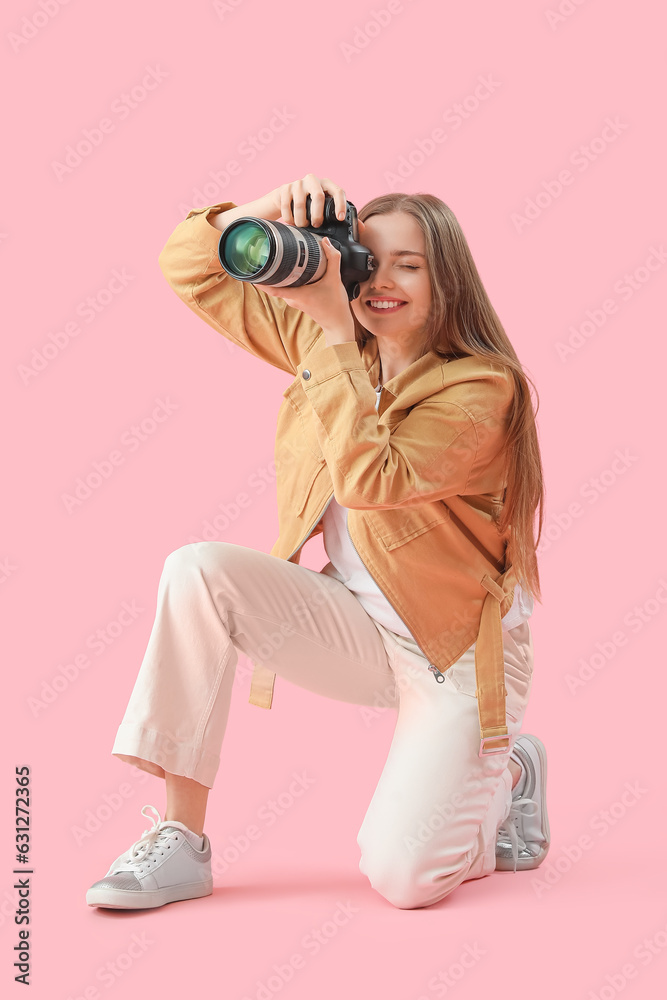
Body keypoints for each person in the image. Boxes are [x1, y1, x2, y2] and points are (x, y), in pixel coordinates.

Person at [86, 172, 549, 911]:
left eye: (409, 263)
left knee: (405, 879)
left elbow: (373, 479)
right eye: (366, 256)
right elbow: (186, 262)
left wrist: (332, 331)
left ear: (448, 279)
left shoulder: (481, 390)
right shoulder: (327, 335)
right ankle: (181, 839)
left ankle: (506, 775)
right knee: (198, 571)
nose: (379, 278)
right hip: (353, 624)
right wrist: (269, 209)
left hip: (455, 654)